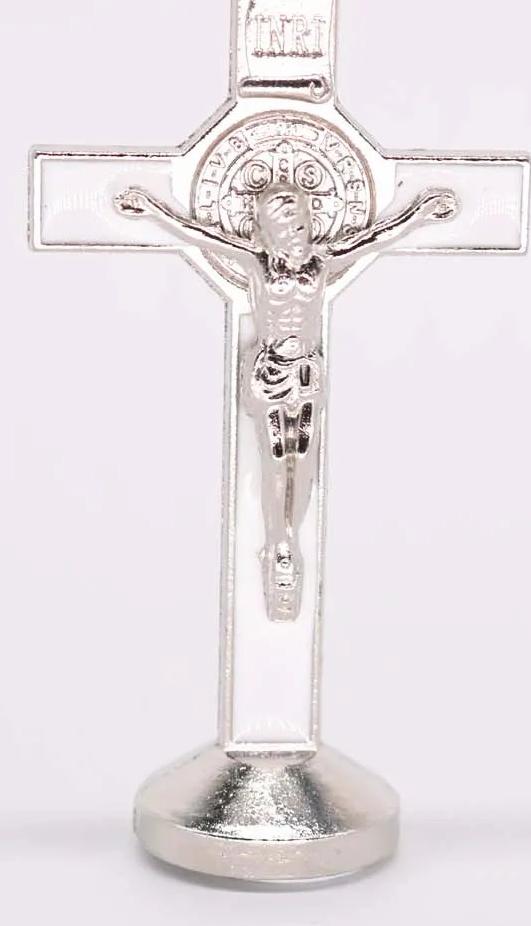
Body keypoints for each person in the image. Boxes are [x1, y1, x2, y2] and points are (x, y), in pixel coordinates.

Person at [114, 171, 456, 620]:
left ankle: (289, 534)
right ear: (269, 233)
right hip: (272, 370)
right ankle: (279, 542)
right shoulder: (257, 264)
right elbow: (198, 235)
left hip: (307, 371)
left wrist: (421, 215)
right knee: (277, 454)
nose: (298, 235)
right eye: (288, 229)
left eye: (302, 225)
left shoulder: (322, 262)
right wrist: (153, 210)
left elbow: (376, 238)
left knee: (306, 456)